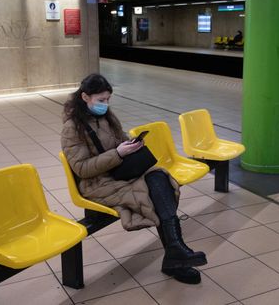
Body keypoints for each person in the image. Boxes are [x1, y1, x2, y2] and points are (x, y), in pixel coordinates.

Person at [61, 74, 207, 284]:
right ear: (85, 97)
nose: (105, 104)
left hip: (119, 172)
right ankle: (176, 257)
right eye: (101, 100)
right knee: (155, 193)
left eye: (108, 99)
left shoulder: (107, 117)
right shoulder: (71, 129)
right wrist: (118, 154)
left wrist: (131, 145)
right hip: (98, 183)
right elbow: (82, 169)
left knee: (159, 176)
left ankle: (176, 250)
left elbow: (120, 140)